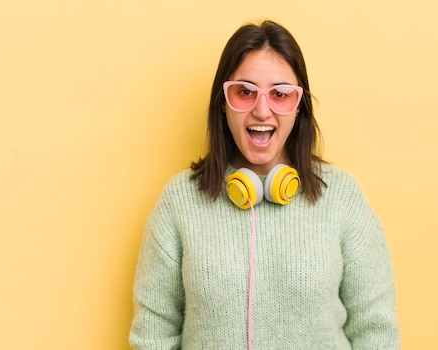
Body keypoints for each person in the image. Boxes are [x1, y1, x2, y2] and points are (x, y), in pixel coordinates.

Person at [129, 20, 400, 349]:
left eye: (280, 94)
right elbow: (153, 334)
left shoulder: (342, 199)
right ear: (223, 101)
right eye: (244, 92)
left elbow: (377, 331)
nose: (261, 110)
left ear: (299, 107)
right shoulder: (179, 202)